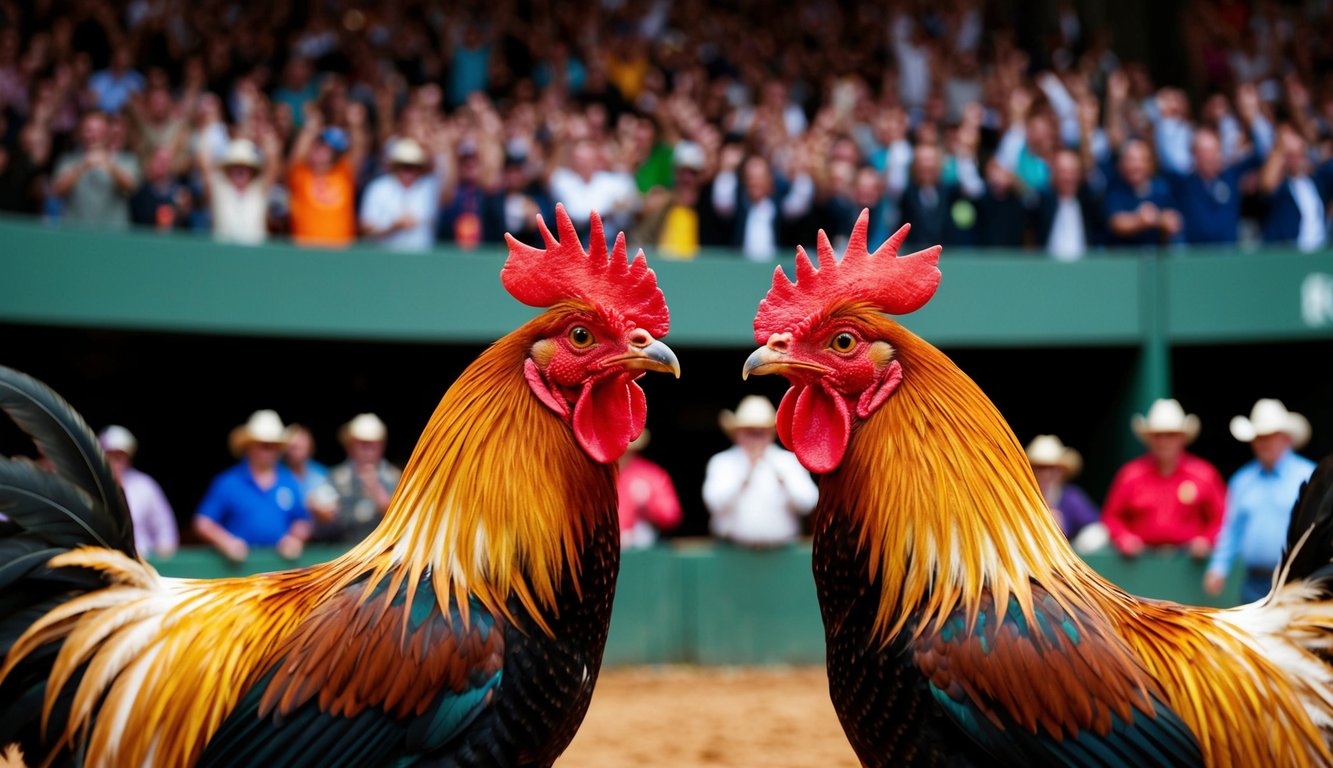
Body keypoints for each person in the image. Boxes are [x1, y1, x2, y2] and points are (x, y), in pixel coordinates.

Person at [1205, 399, 1316, 603]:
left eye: (1271, 436)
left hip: (1297, 581)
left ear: (1285, 438)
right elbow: (1232, 529)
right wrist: (1218, 567)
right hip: (1253, 583)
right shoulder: (1242, 481)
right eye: (1259, 437)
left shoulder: (1308, 476)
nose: (1264, 442)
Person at [1101, 398, 1228, 558]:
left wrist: (1206, 540)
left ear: (1183, 437)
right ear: (1148, 438)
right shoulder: (1130, 475)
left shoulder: (1203, 474)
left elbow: (1223, 517)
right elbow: (1111, 517)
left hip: (1189, 563)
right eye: (1157, 435)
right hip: (1139, 561)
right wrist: (1123, 537)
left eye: (1171, 435)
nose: (1163, 441)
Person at [193, 410, 312, 563]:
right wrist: (226, 542)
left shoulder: (289, 481)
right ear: (248, 446)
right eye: (263, 445)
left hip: (280, 571)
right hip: (237, 572)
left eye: (274, 445)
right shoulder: (228, 482)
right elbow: (203, 522)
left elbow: (302, 520)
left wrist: (294, 538)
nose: (269, 450)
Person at [702, 395, 819, 548]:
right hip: (732, 552)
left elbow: (808, 504)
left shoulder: (788, 461)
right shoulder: (722, 462)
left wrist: (783, 478)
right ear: (737, 433)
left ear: (772, 433)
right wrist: (745, 474)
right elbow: (714, 503)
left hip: (782, 553)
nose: (756, 437)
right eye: (750, 432)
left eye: (761, 432)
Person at [98, 425, 178, 559]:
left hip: (141, 565)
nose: (116, 461)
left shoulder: (145, 485)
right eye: (111, 455)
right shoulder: (88, 485)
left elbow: (166, 530)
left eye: (121, 456)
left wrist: (162, 556)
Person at [321, 413, 402, 545]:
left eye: (373, 444)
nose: (368, 449)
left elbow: (403, 522)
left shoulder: (395, 478)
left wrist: (377, 491)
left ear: (382, 445)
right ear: (350, 445)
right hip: (343, 554)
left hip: (382, 554)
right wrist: (322, 516)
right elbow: (324, 528)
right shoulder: (336, 478)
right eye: (362, 443)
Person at [51, 110, 141, 229]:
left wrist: (108, 165)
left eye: (99, 131)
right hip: (74, 234)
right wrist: (83, 166)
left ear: (108, 134)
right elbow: (57, 191)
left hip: (113, 236)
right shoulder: (69, 160)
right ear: (81, 132)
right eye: (89, 130)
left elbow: (131, 187)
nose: (94, 136)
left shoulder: (126, 160)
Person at [359, 137, 442, 251]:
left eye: (414, 166)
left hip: (421, 261)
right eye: (404, 166)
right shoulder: (378, 188)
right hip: (384, 259)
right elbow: (366, 228)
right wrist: (393, 227)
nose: (409, 171)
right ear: (395, 166)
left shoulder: (429, 188)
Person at [1025, 434, 1100, 542]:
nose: (1046, 474)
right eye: (1040, 467)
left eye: (1052, 468)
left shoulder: (1072, 497)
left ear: (1062, 471)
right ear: (1030, 469)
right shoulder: (1019, 496)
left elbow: (1095, 528)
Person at [616, 429, 682, 548]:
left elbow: (671, 515)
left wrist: (647, 504)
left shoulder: (651, 474)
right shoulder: (598, 475)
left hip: (640, 549)